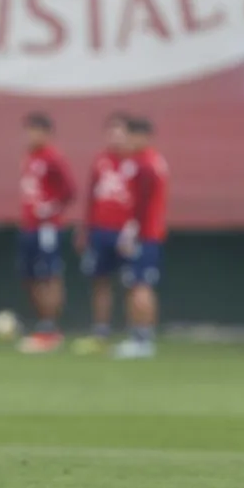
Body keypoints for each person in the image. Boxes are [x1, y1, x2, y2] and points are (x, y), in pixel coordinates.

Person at [73, 113, 134, 354]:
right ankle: (101, 331)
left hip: (126, 233)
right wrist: (86, 229)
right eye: (111, 132)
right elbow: (92, 197)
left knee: (131, 282)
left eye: (120, 132)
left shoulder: (135, 164)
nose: (115, 138)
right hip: (101, 231)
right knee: (100, 281)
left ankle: (134, 332)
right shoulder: (101, 162)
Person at [16, 112, 76, 354]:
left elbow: (69, 191)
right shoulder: (30, 157)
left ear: (46, 133)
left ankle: (50, 328)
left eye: (35, 130)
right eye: (28, 130)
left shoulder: (53, 158)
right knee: (29, 276)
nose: (30, 135)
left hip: (47, 228)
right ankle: (44, 323)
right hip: (29, 226)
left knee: (49, 275)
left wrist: (49, 207)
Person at [112, 117, 169, 360]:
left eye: (132, 136)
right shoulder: (149, 161)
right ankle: (142, 336)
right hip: (147, 233)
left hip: (145, 235)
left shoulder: (145, 164)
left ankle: (142, 339)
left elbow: (143, 202)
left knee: (140, 286)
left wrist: (132, 228)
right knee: (139, 284)